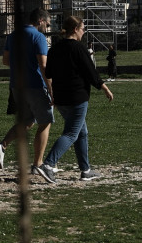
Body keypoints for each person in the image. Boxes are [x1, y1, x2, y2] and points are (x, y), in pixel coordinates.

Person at [36, 16, 113, 183]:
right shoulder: (78, 48)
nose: (83, 32)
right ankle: (48, 164)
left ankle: (86, 170)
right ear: (75, 29)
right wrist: (104, 87)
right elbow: (91, 72)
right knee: (71, 133)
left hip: (61, 98)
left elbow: (48, 73)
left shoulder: (55, 49)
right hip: (77, 97)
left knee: (81, 132)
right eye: (82, 29)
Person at [0, 7, 55, 181]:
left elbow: (5, 61)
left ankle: (2, 146)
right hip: (35, 85)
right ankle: (38, 164)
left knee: (28, 120)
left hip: (16, 85)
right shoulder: (38, 37)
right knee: (45, 122)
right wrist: (51, 89)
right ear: (40, 21)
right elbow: (43, 65)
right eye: (47, 24)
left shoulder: (13, 36)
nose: (47, 28)